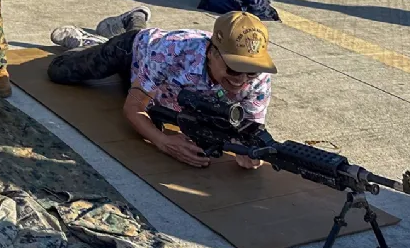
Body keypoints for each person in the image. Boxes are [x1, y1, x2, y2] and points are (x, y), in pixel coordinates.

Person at [49, 11, 276, 169]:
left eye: (251, 72)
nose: (242, 80)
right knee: (59, 71)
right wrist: (163, 142)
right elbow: (133, 107)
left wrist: (247, 150)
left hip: (156, 81)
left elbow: (251, 126)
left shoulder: (259, 78)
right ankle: (91, 42)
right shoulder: (173, 51)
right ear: (211, 52)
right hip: (133, 52)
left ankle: (135, 19)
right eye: (234, 69)